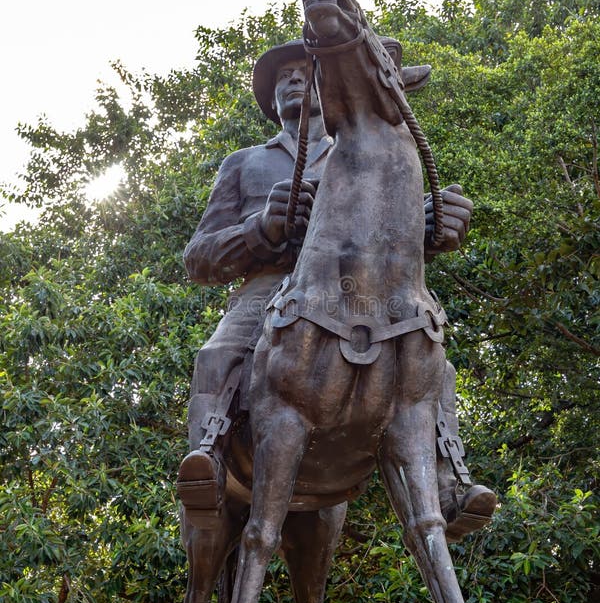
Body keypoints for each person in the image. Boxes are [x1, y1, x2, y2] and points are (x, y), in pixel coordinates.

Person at [177, 38, 496, 540]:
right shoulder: (244, 164)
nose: (294, 79)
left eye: (305, 70)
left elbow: (392, 239)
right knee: (219, 352)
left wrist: (431, 229)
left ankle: (448, 482)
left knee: (437, 366)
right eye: (283, 76)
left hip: (361, 296)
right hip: (271, 289)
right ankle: (209, 459)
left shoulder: (373, 153)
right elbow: (198, 258)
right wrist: (260, 229)